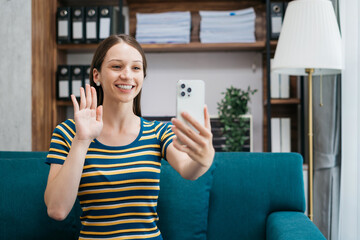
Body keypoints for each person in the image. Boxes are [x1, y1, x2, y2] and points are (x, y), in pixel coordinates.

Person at [44, 34, 215, 240]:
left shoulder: (158, 132)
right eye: (116, 66)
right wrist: (82, 141)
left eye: (136, 68)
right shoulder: (68, 133)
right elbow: (57, 210)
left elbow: (189, 170)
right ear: (96, 75)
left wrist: (204, 159)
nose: (127, 75)